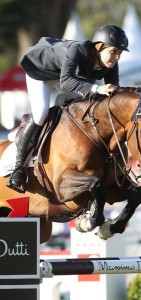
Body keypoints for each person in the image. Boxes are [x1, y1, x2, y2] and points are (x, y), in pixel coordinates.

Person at [7, 24, 129, 193]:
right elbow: (66, 82)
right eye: (114, 51)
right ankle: (18, 169)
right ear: (100, 46)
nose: (116, 57)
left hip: (65, 77)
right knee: (41, 112)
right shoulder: (78, 50)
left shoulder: (111, 65)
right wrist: (97, 89)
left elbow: (113, 92)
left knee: (80, 109)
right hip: (40, 72)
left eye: (119, 53)